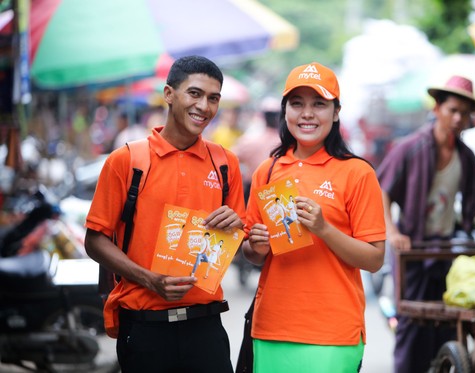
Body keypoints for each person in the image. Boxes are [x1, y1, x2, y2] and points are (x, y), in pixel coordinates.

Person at [84, 55, 246, 373]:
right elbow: (95, 240)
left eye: (213, 98)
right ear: (169, 94)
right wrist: (150, 279)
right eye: (195, 93)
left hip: (206, 326)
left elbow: (235, 242)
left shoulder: (226, 163)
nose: (204, 106)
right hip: (145, 330)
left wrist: (235, 228)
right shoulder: (127, 160)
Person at [376, 75, 475, 373]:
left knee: (449, 322)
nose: (458, 118)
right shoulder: (410, 147)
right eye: (452, 110)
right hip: (412, 250)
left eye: (465, 113)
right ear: (437, 108)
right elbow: (381, 190)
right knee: (412, 327)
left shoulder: (465, 155)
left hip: (445, 247)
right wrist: (393, 232)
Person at [242, 62, 386, 372]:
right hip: (272, 328)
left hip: (333, 332)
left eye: (319, 104)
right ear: (285, 111)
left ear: (336, 112)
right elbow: (252, 253)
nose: (307, 113)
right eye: (297, 104)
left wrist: (323, 229)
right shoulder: (266, 172)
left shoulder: (357, 173)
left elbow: (374, 259)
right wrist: (256, 246)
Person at [232, 96, 281, 202]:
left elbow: (230, 158)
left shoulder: (250, 139)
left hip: (252, 189)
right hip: (276, 191)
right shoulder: (285, 141)